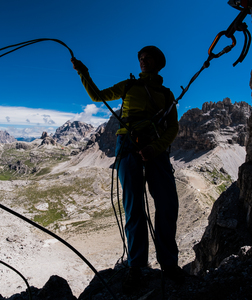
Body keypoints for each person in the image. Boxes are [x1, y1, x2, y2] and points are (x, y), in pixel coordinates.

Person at [71, 46, 185, 292]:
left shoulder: (166, 94)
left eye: (148, 57)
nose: (143, 61)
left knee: (167, 203)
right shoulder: (129, 86)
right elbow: (97, 96)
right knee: (134, 207)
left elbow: (172, 128)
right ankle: (136, 266)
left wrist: (155, 148)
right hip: (128, 146)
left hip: (155, 148)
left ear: (158, 62)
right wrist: (84, 73)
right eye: (140, 58)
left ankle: (169, 264)